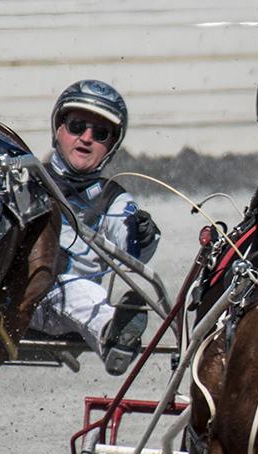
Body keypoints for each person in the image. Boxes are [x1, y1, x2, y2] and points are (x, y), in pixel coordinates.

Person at [32, 79, 161, 376]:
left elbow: (133, 253)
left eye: (100, 133)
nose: (86, 138)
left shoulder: (112, 199)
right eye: (77, 126)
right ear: (59, 129)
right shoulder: (26, 177)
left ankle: (113, 337)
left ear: (111, 146)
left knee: (79, 292)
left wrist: (143, 235)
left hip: (59, 306)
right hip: (7, 295)